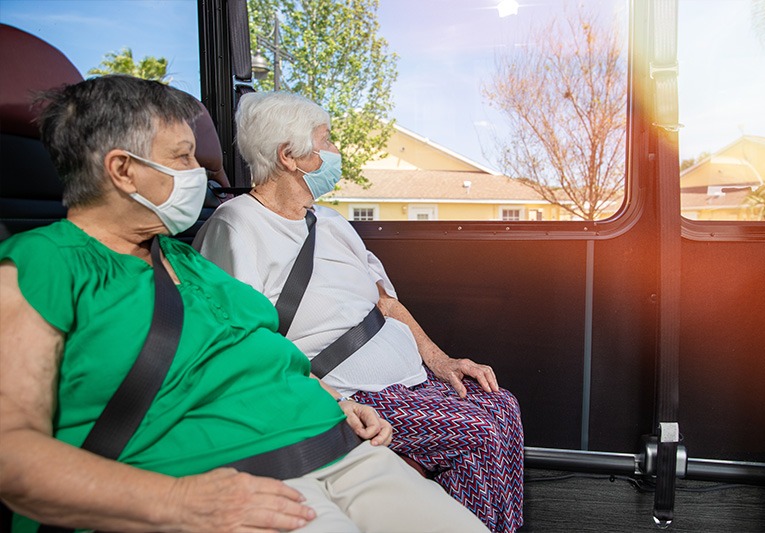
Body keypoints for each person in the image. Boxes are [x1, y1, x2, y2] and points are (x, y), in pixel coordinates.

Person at [0, 75, 490, 533]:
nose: (202, 176)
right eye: (183, 158)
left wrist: (336, 401)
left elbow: (266, 353)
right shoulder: (41, 264)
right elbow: (11, 454)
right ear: (124, 170)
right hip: (239, 480)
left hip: (342, 447)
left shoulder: (182, 262)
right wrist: (181, 501)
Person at [193, 91, 525, 533]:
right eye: (325, 140)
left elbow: (385, 302)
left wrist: (442, 361)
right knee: (481, 430)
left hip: (409, 381)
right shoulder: (236, 225)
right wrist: (330, 400)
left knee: (500, 404)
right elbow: (245, 340)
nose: (336, 152)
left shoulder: (331, 222)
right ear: (290, 155)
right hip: (347, 390)